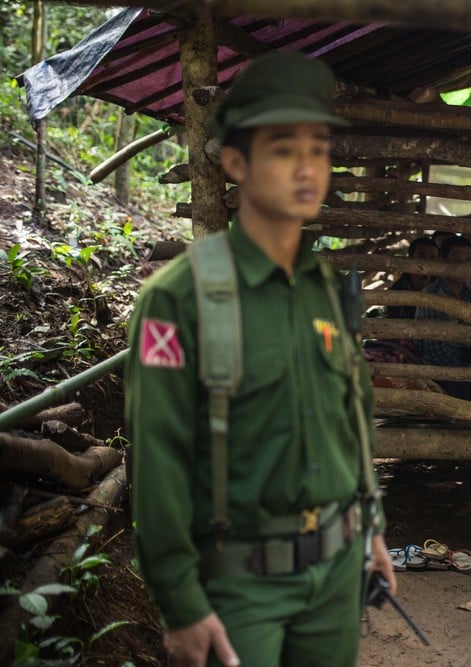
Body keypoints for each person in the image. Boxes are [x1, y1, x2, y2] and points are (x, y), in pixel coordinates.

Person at [125, 52, 396, 667]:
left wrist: (372, 526)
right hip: (238, 584)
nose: (308, 167)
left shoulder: (324, 288)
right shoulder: (178, 299)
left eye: (320, 148)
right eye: (283, 148)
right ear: (235, 163)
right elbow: (158, 459)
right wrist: (181, 600)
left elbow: (350, 418)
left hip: (333, 578)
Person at [415, 235, 471, 398]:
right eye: (455, 259)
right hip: (440, 375)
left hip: (470, 372)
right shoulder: (431, 295)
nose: (462, 265)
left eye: (468, 259)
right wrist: (465, 364)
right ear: (443, 261)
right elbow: (433, 345)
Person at [385, 236, 438, 320]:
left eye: (432, 257)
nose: (427, 262)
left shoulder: (442, 288)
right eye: (421, 257)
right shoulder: (397, 290)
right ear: (410, 258)